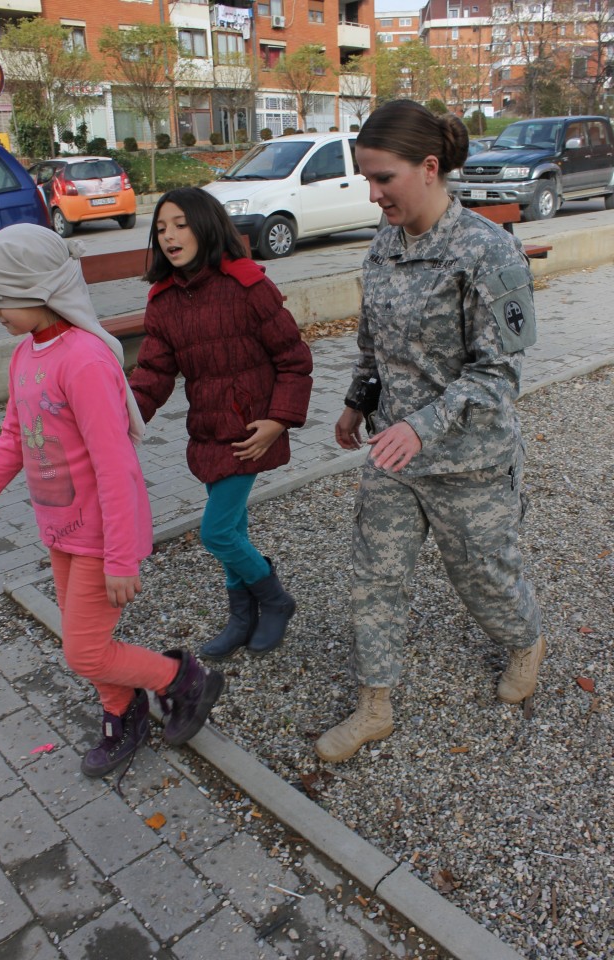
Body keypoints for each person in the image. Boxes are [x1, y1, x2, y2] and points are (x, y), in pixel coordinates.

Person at [315, 100, 544, 764]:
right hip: (395, 453)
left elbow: (501, 373)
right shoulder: (384, 242)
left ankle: (526, 639)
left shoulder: (488, 250)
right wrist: (359, 402)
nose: (373, 192)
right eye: (366, 177)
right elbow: (374, 343)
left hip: (470, 460)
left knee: (485, 579)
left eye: (383, 177)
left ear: (429, 167)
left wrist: (424, 425)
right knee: (374, 575)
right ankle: (374, 705)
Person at [0, 224, 224, 779]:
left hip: (100, 535)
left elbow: (116, 467)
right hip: (60, 529)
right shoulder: (25, 355)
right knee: (84, 640)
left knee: (84, 651)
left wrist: (119, 557)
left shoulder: (83, 361)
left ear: (38, 290)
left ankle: (182, 679)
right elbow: (13, 440)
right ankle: (123, 711)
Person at [129, 187, 313, 661]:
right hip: (207, 432)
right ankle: (242, 616)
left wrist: (278, 420)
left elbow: (294, 359)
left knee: (217, 532)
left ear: (205, 225)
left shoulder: (248, 286)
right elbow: (152, 375)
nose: (169, 235)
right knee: (234, 529)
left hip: (251, 434)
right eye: (162, 227)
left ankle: (275, 598)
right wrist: (117, 422)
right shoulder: (164, 302)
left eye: (180, 224)